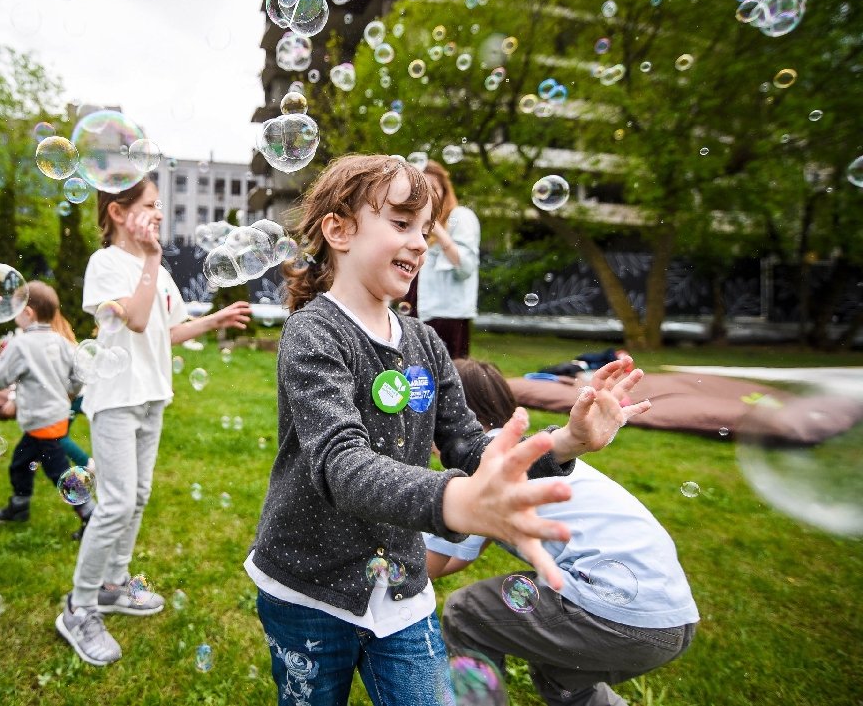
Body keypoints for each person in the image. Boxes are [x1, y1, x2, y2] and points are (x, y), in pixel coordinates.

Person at [245, 154, 650, 706]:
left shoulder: (426, 344)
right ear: (338, 229)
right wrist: (453, 500)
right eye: (400, 223)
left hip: (403, 589)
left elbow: (469, 444)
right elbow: (342, 463)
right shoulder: (312, 333)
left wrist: (566, 442)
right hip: (305, 585)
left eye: (425, 227)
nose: (420, 241)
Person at [55, 177, 252, 667]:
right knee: (116, 501)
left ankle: (113, 585)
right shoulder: (106, 264)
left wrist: (213, 320)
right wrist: (149, 260)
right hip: (116, 398)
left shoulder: (154, 268)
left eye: (159, 204)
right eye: (149, 205)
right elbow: (136, 320)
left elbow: (166, 330)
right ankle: (78, 607)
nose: (159, 213)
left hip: (150, 395)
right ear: (118, 212)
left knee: (137, 496)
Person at [430, 359, 698, 706]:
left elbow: (432, 565)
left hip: (621, 616)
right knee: (562, 676)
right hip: (671, 616)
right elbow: (463, 551)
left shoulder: (484, 468)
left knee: (467, 614)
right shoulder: (528, 453)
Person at [0, 281, 94, 536]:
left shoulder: (22, 344)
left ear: (28, 313)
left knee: (59, 472)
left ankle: (90, 516)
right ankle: (19, 506)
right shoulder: (61, 342)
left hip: (41, 422)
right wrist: (70, 392)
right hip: (52, 418)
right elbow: (80, 374)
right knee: (20, 463)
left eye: (16, 309)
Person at [416, 160, 480, 359]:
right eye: (421, 188)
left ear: (445, 190)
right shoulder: (414, 221)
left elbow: (466, 266)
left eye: (433, 188)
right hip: (417, 311)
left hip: (447, 316)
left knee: (449, 380)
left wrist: (439, 231)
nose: (428, 195)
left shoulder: (461, 217)